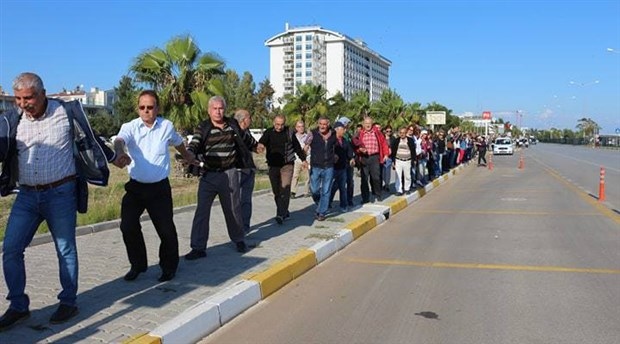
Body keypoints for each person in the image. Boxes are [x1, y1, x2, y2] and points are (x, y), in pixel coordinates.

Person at [0, 72, 115, 330]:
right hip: (27, 196)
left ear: (42, 94)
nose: (22, 103)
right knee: (11, 249)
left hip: (60, 194)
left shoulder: (65, 112)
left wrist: (113, 157)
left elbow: (90, 137)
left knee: (65, 249)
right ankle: (18, 306)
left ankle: (68, 301)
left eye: (28, 98)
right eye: (18, 98)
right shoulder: (12, 119)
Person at [112, 90, 195, 283]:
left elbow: (178, 142)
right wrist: (119, 153)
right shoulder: (130, 127)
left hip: (159, 189)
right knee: (127, 225)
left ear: (157, 108)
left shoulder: (166, 126)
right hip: (136, 188)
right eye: (142, 107)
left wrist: (188, 155)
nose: (146, 111)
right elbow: (119, 140)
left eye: (150, 107)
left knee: (166, 230)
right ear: (138, 109)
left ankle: (168, 267)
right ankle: (138, 265)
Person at [184, 96, 257, 260]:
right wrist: (189, 153)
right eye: (215, 109)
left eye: (221, 108)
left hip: (229, 173)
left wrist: (256, 145)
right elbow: (195, 142)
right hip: (208, 175)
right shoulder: (203, 127)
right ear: (209, 111)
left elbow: (246, 138)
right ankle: (198, 248)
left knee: (233, 209)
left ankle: (239, 240)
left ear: (225, 109)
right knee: (202, 212)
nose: (218, 111)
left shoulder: (232, 124)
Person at [258, 115, 307, 224]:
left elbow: (297, 148)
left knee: (285, 189)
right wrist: (260, 146)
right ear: (273, 122)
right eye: (277, 124)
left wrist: (303, 160)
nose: (279, 127)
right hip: (273, 165)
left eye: (281, 124)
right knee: (277, 192)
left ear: (285, 123)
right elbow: (262, 142)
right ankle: (284, 211)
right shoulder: (269, 132)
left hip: (287, 165)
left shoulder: (289, 133)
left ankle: (280, 214)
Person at [304, 116, 337, 221]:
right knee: (314, 190)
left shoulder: (333, 134)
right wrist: (303, 159)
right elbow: (305, 146)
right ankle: (321, 204)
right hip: (316, 166)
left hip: (329, 166)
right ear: (318, 124)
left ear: (328, 124)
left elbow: (336, 146)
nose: (323, 126)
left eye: (325, 124)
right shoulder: (312, 134)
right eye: (321, 124)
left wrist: (336, 156)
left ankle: (321, 212)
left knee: (326, 190)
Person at [233, 109, 259, 233]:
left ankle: (245, 226)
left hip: (249, 170)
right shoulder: (232, 132)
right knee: (236, 201)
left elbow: (254, 146)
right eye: (249, 117)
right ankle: (236, 227)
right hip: (237, 170)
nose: (251, 120)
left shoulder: (247, 132)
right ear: (243, 120)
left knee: (246, 200)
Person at [352, 117, 389, 203]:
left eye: (369, 123)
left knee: (376, 177)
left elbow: (384, 144)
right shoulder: (360, 134)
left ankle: (378, 194)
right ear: (363, 124)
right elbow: (355, 146)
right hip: (364, 158)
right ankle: (365, 198)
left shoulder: (377, 133)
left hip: (375, 157)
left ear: (372, 124)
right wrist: (359, 150)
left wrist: (386, 154)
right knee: (364, 179)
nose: (368, 125)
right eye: (366, 123)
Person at [330, 122, 355, 212]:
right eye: (343, 129)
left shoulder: (344, 140)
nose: (344, 130)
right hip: (332, 167)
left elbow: (349, 150)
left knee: (342, 187)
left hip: (343, 167)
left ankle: (343, 205)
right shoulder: (331, 140)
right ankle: (328, 202)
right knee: (331, 187)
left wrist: (351, 158)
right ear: (337, 129)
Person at [390, 127, 416, 196]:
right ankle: (399, 190)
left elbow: (413, 151)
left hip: (407, 160)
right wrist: (393, 161)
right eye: (400, 133)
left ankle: (407, 189)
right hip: (398, 160)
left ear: (406, 133)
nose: (402, 134)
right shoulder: (396, 141)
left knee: (407, 176)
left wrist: (414, 160)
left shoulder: (410, 140)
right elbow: (393, 152)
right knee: (398, 176)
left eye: (403, 133)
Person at [290, 120, 310, 199]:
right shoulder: (293, 137)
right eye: (299, 127)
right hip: (297, 159)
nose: (301, 128)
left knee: (307, 176)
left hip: (307, 158)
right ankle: (293, 192)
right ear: (296, 128)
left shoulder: (308, 137)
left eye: (302, 126)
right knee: (295, 175)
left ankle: (306, 191)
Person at [382, 125, 395, 192]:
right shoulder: (382, 137)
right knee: (382, 173)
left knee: (388, 172)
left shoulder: (393, 138)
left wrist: (393, 161)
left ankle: (387, 185)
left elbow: (395, 149)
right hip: (382, 157)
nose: (388, 132)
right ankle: (384, 183)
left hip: (389, 158)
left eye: (390, 131)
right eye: (387, 131)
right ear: (385, 131)